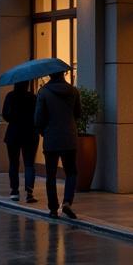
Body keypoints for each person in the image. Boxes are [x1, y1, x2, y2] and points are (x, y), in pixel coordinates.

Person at [34, 71, 82, 219]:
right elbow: (78, 113)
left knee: (51, 175)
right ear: (64, 74)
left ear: (50, 75)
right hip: (69, 137)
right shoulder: (73, 90)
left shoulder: (44, 92)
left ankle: (53, 209)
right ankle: (67, 201)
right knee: (71, 172)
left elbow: (38, 118)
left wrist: (43, 131)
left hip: (51, 138)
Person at [2, 81, 38, 202]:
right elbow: (37, 115)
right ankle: (29, 193)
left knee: (13, 163)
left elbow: (5, 115)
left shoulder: (10, 96)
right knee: (29, 164)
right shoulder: (32, 97)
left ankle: (14, 191)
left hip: (13, 134)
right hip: (30, 134)